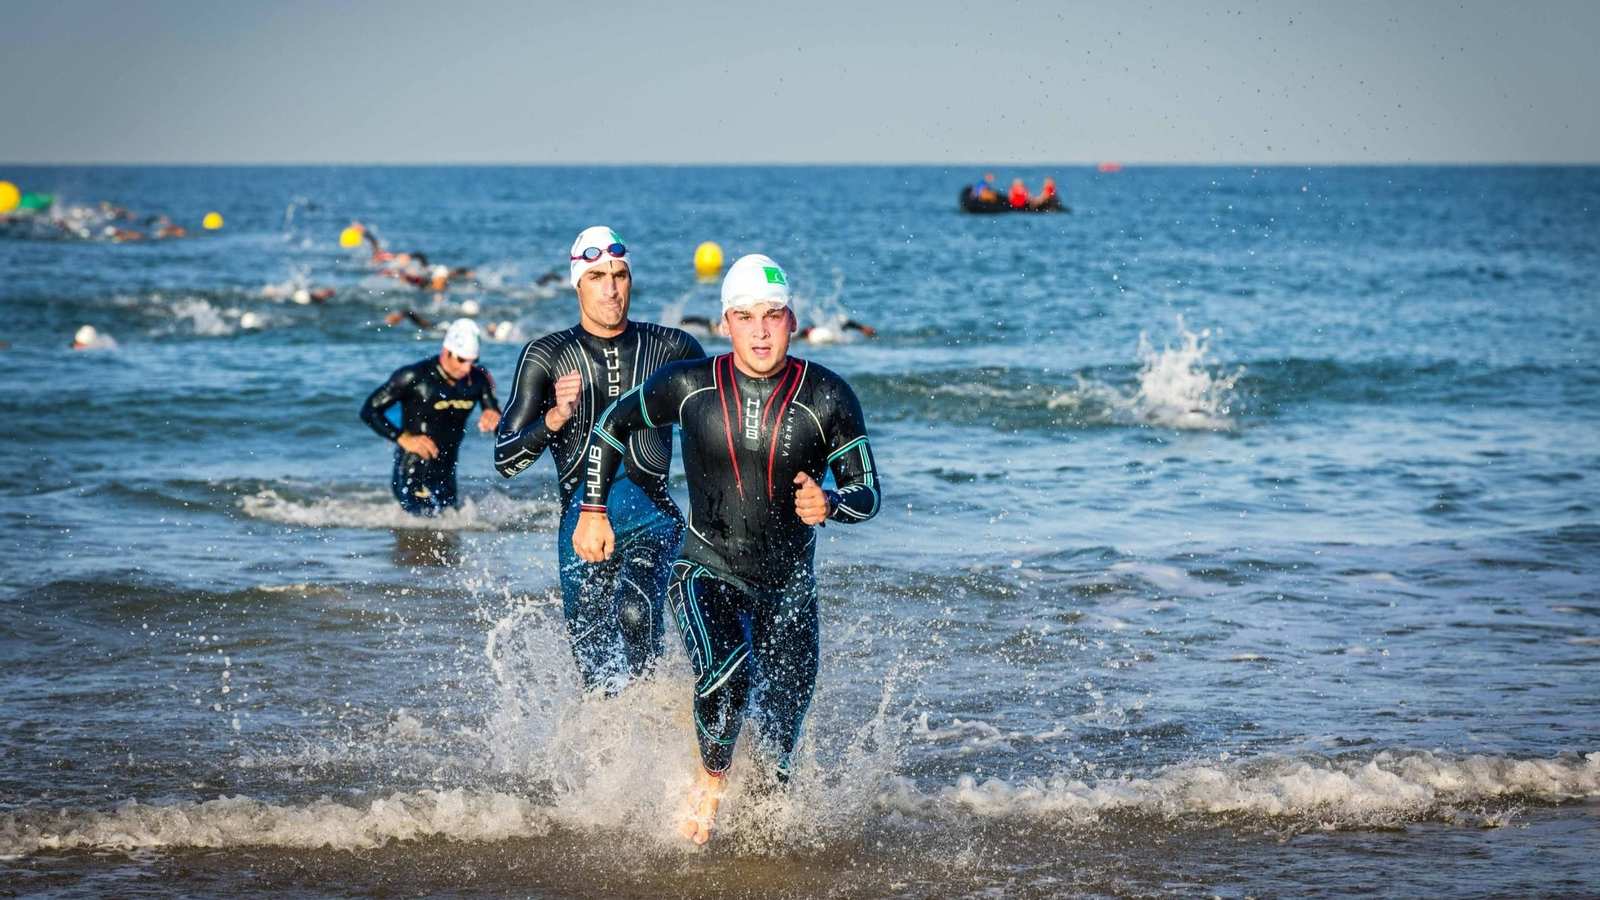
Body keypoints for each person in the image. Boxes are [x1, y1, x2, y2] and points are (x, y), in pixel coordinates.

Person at [573, 254, 881, 845]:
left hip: (788, 586)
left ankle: (762, 848)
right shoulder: (691, 387)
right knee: (728, 675)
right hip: (705, 568)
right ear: (725, 322)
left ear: (792, 321)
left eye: (772, 316)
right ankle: (711, 780)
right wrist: (592, 509)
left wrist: (832, 504)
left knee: (779, 751)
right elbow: (610, 425)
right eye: (744, 317)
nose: (760, 331)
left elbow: (869, 491)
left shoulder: (827, 396)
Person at [495, 226, 705, 693]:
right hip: (580, 526)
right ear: (577, 283)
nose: (611, 288)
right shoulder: (546, 356)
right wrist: (552, 420)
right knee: (595, 671)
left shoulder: (674, 350)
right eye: (597, 277)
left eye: (620, 275)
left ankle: (655, 721)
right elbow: (504, 460)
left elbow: (715, 433)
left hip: (653, 514)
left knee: (635, 612)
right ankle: (613, 758)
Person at [361, 319, 501, 516]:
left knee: (449, 531)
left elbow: (496, 416)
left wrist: (494, 415)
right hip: (413, 468)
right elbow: (369, 410)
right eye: (462, 359)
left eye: (473, 361)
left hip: (447, 471)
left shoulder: (479, 379)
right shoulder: (414, 376)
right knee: (419, 529)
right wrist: (403, 438)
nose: (467, 368)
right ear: (446, 350)